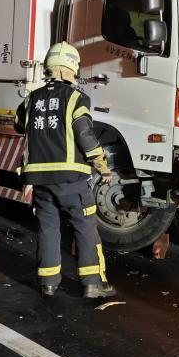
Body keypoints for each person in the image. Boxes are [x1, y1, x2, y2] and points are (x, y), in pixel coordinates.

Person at [18, 42, 117, 299]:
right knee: (84, 226)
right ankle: (92, 283)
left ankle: (48, 282)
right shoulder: (76, 98)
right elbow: (85, 135)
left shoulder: (32, 98)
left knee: (48, 227)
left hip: (39, 179)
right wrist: (102, 166)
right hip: (71, 179)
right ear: (72, 67)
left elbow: (19, 124)